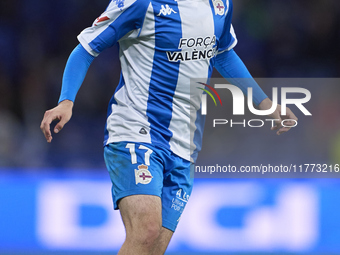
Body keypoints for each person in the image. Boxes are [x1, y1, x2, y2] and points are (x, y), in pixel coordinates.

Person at [40, 0, 297, 254]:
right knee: (146, 231)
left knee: (154, 247)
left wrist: (265, 103)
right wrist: (66, 101)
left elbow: (224, 53)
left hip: (184, 145)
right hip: (135, 129)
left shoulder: (220, 5)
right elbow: (86, 48)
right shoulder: (140, 4)